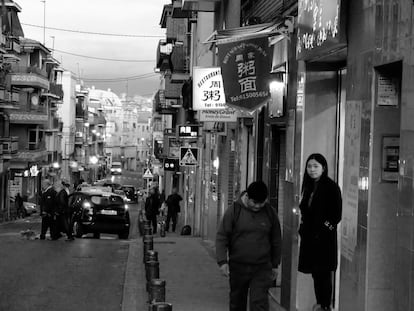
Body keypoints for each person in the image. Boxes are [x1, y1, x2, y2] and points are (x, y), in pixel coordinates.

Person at [216, 180, 282, 311]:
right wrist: (222, 261)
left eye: (261, 203)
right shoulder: (234, 211)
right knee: (237, 301)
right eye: (255, 203)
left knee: (259, 302)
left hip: (262, 267)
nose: (258, 206)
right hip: (238, 266)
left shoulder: (270, 213)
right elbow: (222, 236)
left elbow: (276, 239)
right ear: (247, 197)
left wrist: (275, 265)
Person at [298, 153, 342, 311]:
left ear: (323, 168)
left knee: (323, 273)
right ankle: (320, 304)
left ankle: (325, 306)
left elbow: (336, 216)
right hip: (310, 239)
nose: (312, 169)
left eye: (316, 166)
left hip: (324, 240)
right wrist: (304, 229)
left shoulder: (331, 187)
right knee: (315, 273)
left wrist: (324, 229)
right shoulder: (309, 187)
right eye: (309, 166)